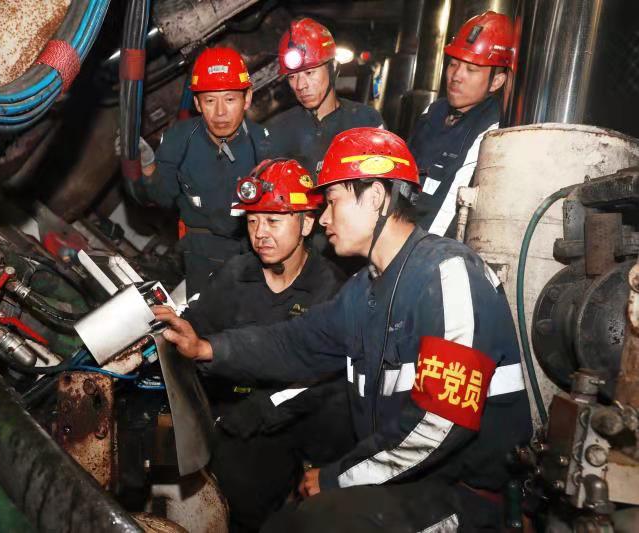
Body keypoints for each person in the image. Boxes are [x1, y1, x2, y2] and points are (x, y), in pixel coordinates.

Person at [155, 128, 532, 532]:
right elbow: (294, 343)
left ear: (375, 197)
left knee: (314, 524)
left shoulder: (447, 275)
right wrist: (206, 348)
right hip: (411, 481)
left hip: (467, 497)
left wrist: (338, 477)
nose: (323, 218)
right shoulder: (364, 290)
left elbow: (440, 421)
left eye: (333, 201)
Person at [183, 158, 352, 531]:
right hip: (220, 413)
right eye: (252, 221)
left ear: (306, 223)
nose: (260, 233)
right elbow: (198, 328)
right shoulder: (236, 273)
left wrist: (262, 409)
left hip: (282, 427)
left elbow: (326, 380)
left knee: (244, 500)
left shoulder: (330, 290)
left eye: (273, 221)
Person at [128, 47, 273, 298]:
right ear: (197, 103)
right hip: (200, 252)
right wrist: (149, 165)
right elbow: (162, 197)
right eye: (209, 100)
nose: (220, 112)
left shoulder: (265, 145)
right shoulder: (179, 139)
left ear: (247, 98)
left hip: (252, 253)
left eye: (230, 99)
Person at [408, 11, 515, 237]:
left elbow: (449, 208)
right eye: (453, 64)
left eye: (471, 70)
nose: (456, 76)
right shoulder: (433, 111)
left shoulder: (492, 129)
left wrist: (419, 249)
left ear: (496, 81)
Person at [266, 17, 384, 176]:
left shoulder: (366, 121)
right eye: (292, 77)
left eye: (309, 73)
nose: (300, 85)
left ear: (333, 68)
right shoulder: (276, 130)